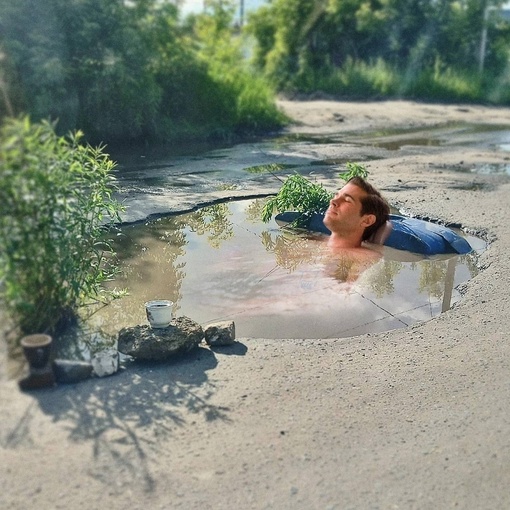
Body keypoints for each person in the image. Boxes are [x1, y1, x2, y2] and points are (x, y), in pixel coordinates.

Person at [323, 176, 390, 252]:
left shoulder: (360, 260)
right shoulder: (314, 241)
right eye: (336, 195)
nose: (333, 201)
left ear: (367, 220)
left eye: (347, 200)